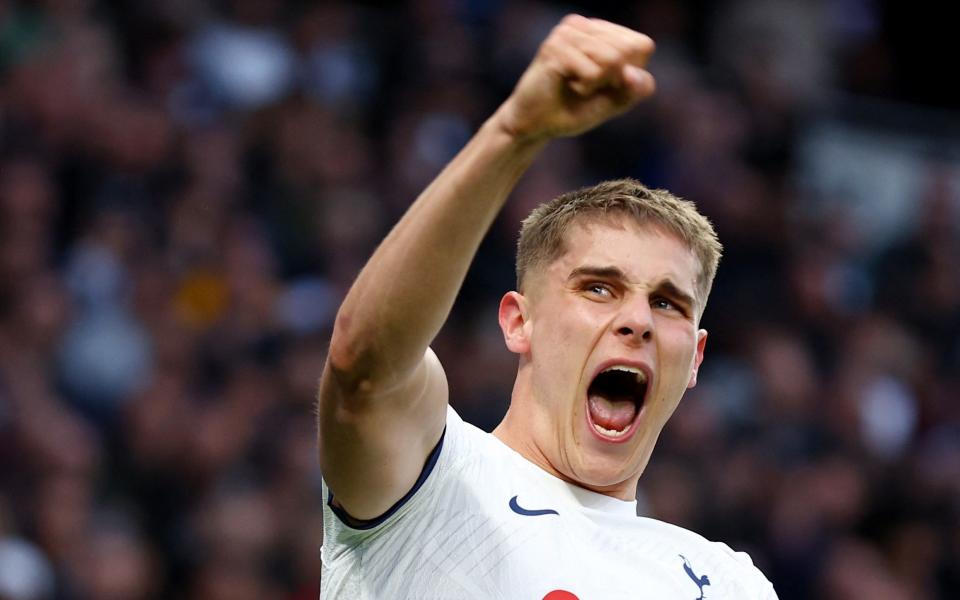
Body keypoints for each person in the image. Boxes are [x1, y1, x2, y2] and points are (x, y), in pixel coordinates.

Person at [318, 14, 778, 600]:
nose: (636, 321)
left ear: (696, 358)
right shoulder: (433, 471)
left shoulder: (727, 583)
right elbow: (363, 366)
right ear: (518, 321)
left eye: (666, 303)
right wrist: (515, 132)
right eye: (598, 288)